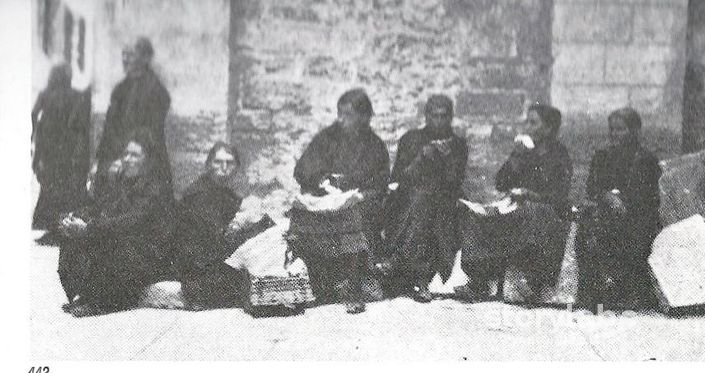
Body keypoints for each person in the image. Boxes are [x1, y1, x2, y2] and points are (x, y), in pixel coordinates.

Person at [289, 88, 390, 314]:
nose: (341, 120)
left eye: (349, 115)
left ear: (365, 117)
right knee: (301, 215)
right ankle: (314, 281)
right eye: (340, 114)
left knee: (353, 218)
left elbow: (381, 184)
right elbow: (302, 169)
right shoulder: (327, 137)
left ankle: (354, 287)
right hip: (326, 199)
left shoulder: (375, 146)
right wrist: (322, 179)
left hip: (360, 204)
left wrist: (358, 194)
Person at [57, 129, 176, 317]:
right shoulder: (125, 181)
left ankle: (103, 302)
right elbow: (103, 207)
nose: (127, 159)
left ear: (149, 161)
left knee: (107, 242)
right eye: (126, 154)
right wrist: (75, 216)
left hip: (149, 253)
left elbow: (130, 221)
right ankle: (86, 294)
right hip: (129, 243)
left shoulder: (155, 188)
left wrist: (89, 227)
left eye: (135, 155)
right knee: (73, 237)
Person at [460, 103, 573, 303]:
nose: (528, 127)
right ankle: (479, 279)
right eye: (527, 122)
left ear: (548, 128)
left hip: (546, 210)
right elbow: (501, 183)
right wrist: (516, 158)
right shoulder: (523, 152)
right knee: (478, 216)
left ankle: (533, 281)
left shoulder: (559, 155)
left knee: (531, 213)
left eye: (533, 123)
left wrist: (531, 195)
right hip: (517, 206)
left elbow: (560, 194)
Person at [381, 95, 468, 302]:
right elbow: (398, 178)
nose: (439, 121)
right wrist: (421, 158)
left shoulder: (458, 145)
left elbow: (454, 183)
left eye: (443, 116)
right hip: (409, 200)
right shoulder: (411, 139)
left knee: (428, 204)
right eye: (434, 116)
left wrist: (447, 159)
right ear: (426, 116)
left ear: (450, 118)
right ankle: (420, 280)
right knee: (422, 201)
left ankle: (400, 260)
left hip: (443, 201)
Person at [577, 107, 662, 311]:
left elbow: (649, 196)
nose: (615, 134)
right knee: (587, 229)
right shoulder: (603, 156)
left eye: (621, 129)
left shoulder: (645, 160)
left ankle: (626, 291)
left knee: (628, 233)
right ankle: (592, 295)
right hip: (609, 210)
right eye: (612, 129)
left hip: (637, 215)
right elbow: (593, 187)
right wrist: (608, 197)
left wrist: (623, 201)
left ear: (635, 131)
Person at [90, 37, 172, 198]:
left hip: (144, 160)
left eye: (131, 55)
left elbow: (150, 134)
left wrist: (125, 158)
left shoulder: (157, 91)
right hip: (114, 158)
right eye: (124, 54)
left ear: (145, 58)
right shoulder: (119, 90)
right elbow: (109, 129)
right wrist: (99, 161)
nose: (125, 59)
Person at [175, 142, 249, 310]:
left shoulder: (224, 193)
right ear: (208, 165)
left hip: (211, 260)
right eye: (218, 162)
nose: (224, 167)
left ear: (236, 167)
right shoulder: (199, 194)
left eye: (229, 163)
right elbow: (215, 238)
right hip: (199, 270)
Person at [31, 63, 90, 240]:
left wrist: (37, 132)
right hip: (66, 148)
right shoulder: (75, 96)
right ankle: (59, 228)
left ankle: (52, 228)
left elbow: (33, 115)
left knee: (50, 188)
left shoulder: (45, 94)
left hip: (48, 148)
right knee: (64, 188)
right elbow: (79, 125)